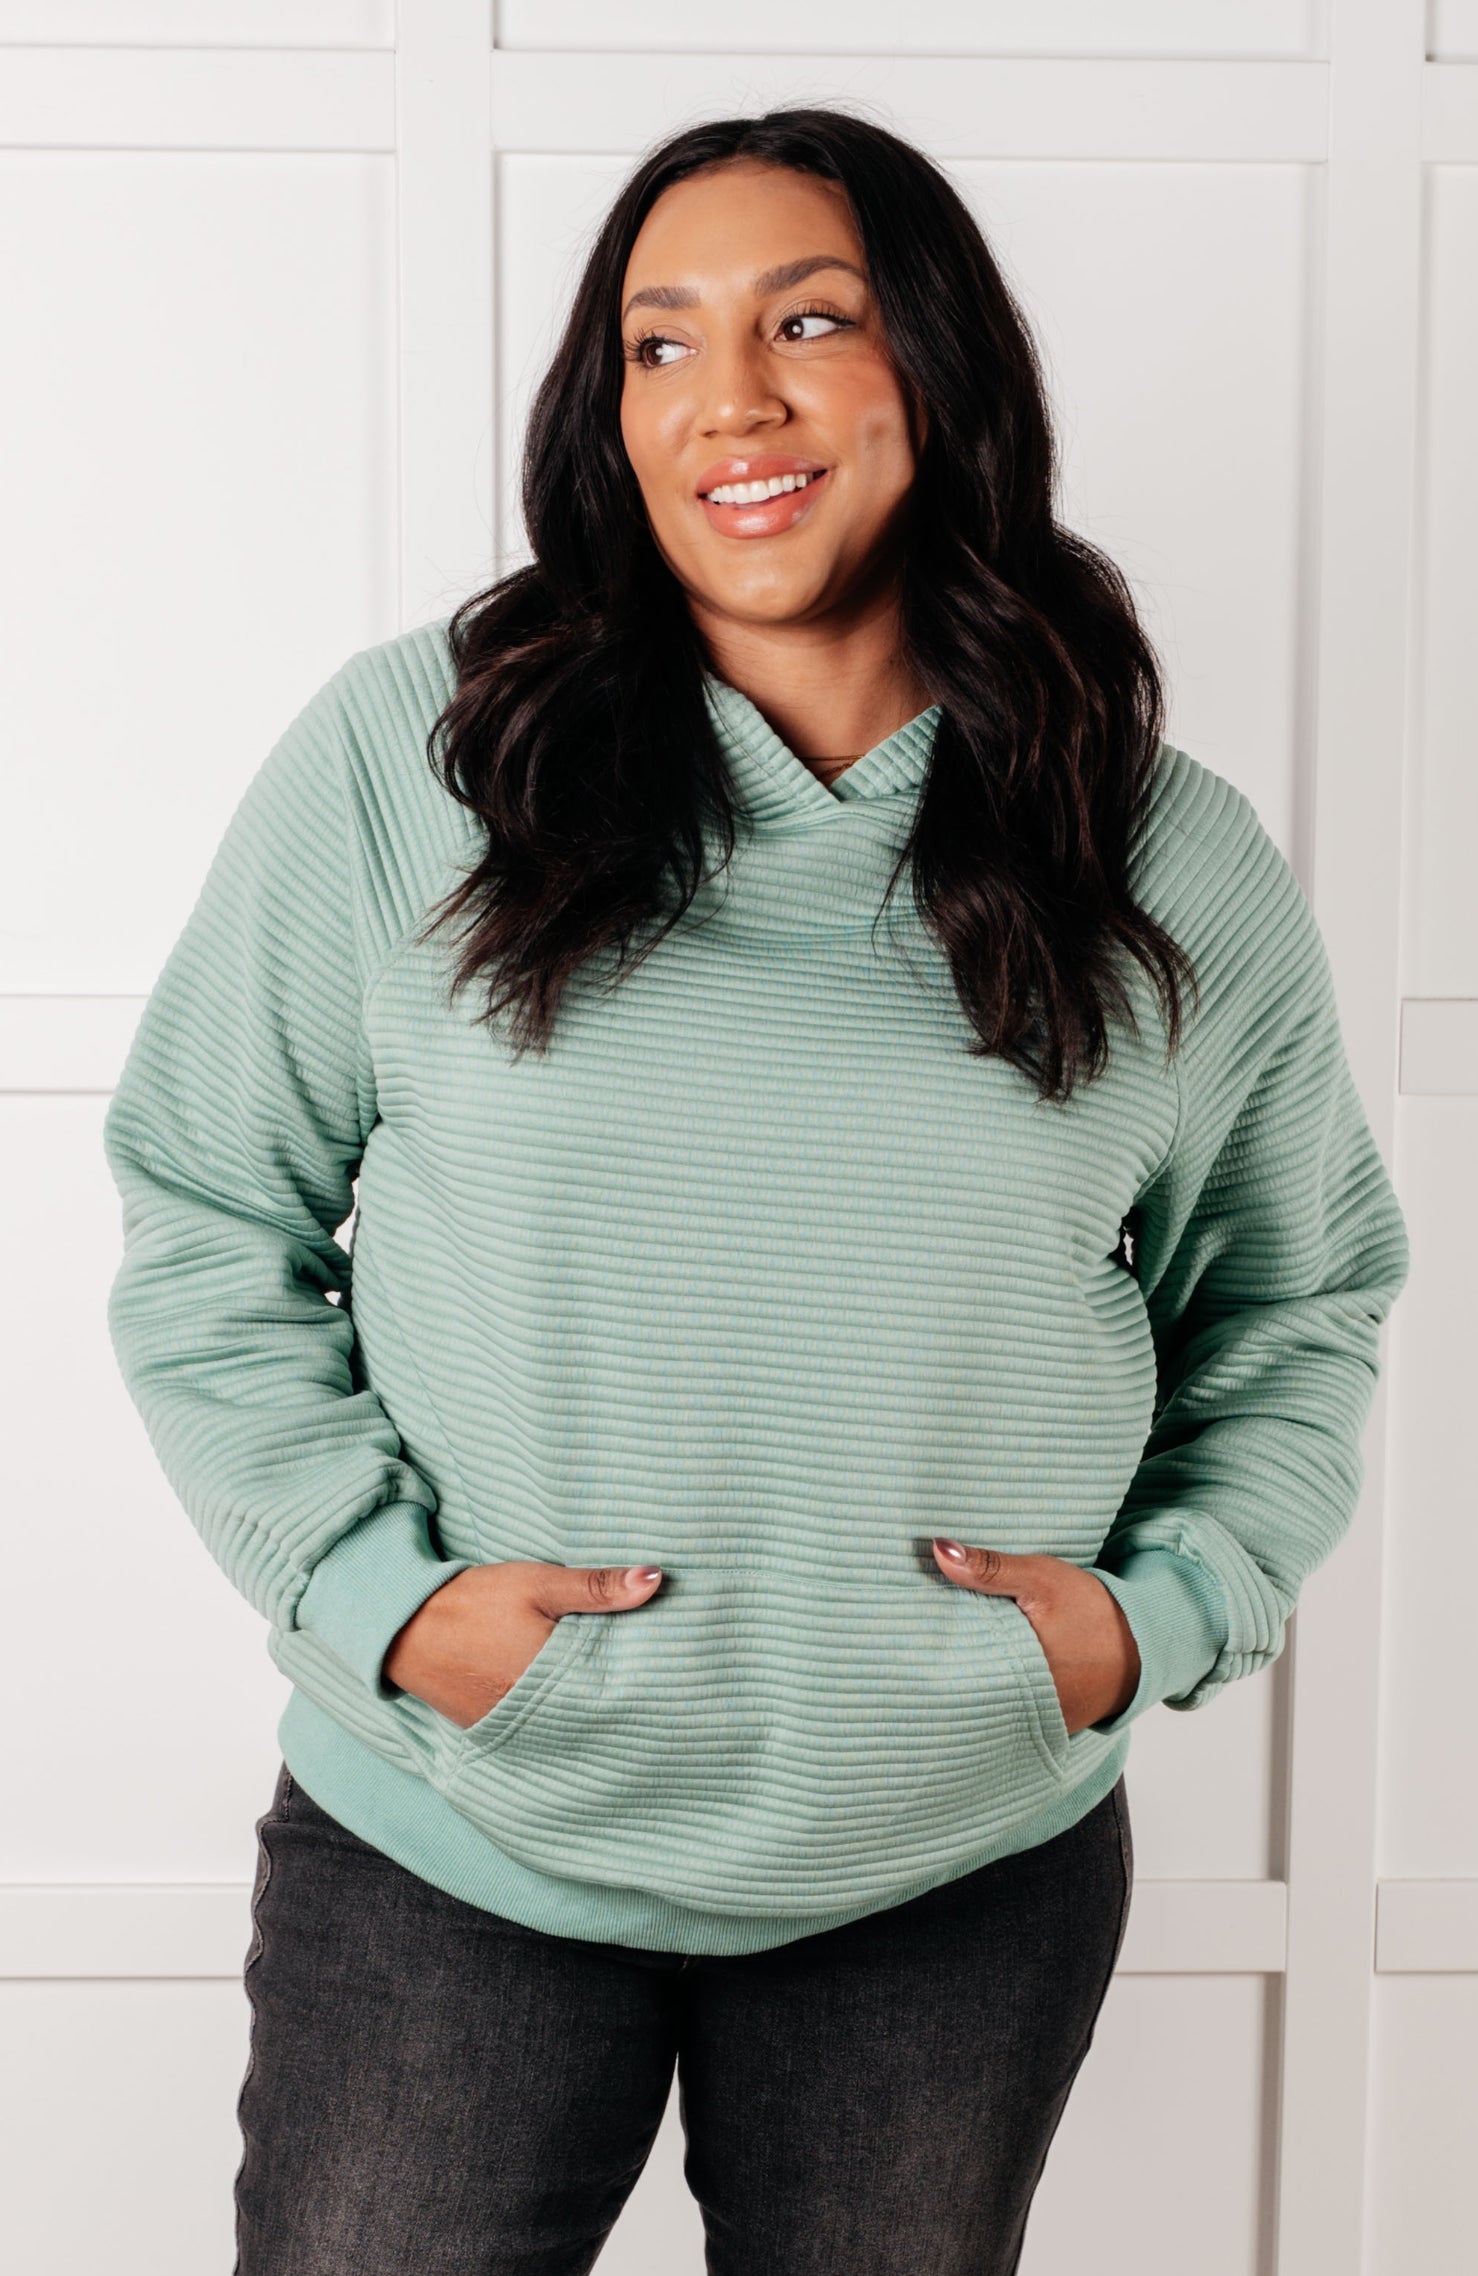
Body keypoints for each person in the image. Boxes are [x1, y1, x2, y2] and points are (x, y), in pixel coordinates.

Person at [102, 106, 1411, 2276]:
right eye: (659, 342)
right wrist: (376, 1601)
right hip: (455, 1834)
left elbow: (1298, 1298)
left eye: (810, 321)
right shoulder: (415, 761)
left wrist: (1148, 1620)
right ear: (606, 412)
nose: (731, 399)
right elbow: (205, 1211)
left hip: (951, 1869)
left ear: (938, 368)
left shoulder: (1159, 851)